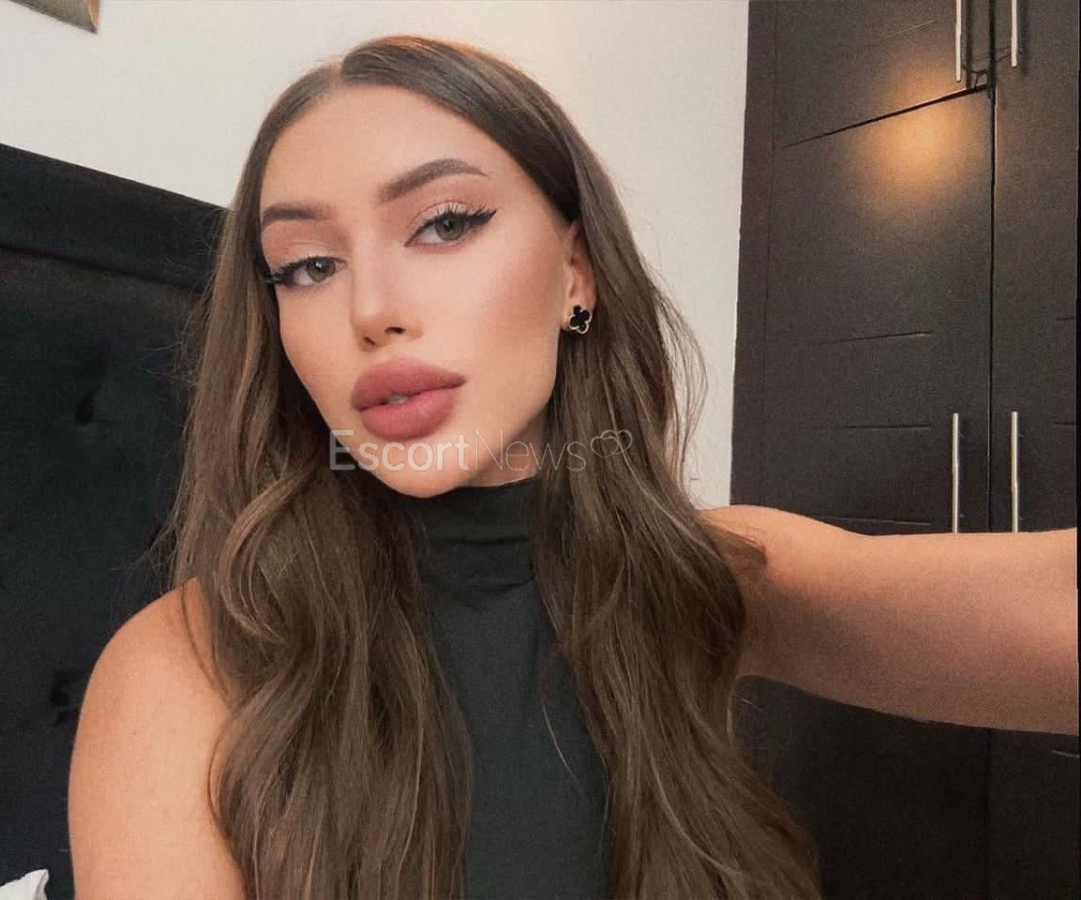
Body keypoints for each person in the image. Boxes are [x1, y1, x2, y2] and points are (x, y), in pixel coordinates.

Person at [67, 33, 1078, 900]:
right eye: (308, 266)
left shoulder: (706, 576)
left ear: (575, 277)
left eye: (445, 223)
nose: (370, 309)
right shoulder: (187, 666)